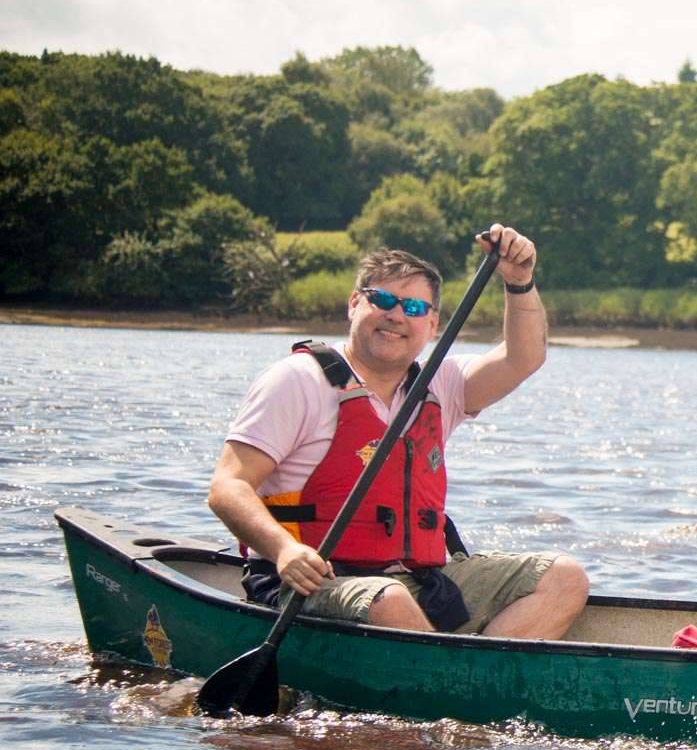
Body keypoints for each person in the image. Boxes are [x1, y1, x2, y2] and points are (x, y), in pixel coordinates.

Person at [207, 224, 589, 640]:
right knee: (389, 599)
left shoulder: (441, 385)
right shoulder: (297, 380)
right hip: (309, 582)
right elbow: (228, 487)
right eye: (383, 299)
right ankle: (455, 689)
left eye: (413, 308)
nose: (396, 315)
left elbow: (524, 358)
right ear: (354, 304)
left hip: (418, 582)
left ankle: (466, 683)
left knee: (564, 578)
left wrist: (518, 282)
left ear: (432, 324)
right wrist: (284, 550)